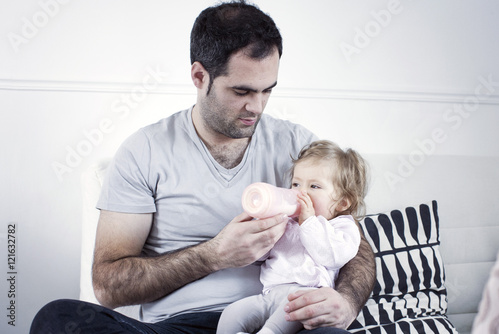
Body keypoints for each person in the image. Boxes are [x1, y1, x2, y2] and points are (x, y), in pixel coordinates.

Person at [30, 1, 375, 333]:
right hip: (180, 325)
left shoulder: (299, 148)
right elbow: (108, 286)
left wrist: (346, 302)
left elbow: (355, 243)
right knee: (57, 318)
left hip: (280, 319)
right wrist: (213, 255)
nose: (256, 107)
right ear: (199, 76)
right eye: (241, 91)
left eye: (266, 91)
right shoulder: (144, 151)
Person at [217, 140, 369, 334]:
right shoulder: (287, 222)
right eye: (296, 184)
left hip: (304, 296)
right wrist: (263, 228)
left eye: (314, 186)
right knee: (232, 313)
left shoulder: (342, 227)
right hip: (269, 295)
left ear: (342, 202)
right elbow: (260, 255)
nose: (299, 193)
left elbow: (332, 257)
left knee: (282, 321)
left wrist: (309, 222)